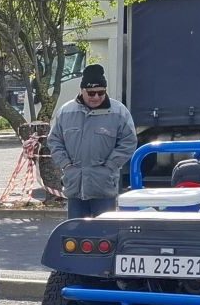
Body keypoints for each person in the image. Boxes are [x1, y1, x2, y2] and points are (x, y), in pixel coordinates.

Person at [47, 63, 137, 219]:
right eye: (91, 93)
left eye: (101, 92)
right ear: (82, 91)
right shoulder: (66, 112)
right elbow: (54, 140)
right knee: (75, 236)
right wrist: (66, 165)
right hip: (75, 187)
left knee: (104, 236)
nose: (96, 97)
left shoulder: (119, 112)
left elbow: (129, 142)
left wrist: (110, 166)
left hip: (104, 188)